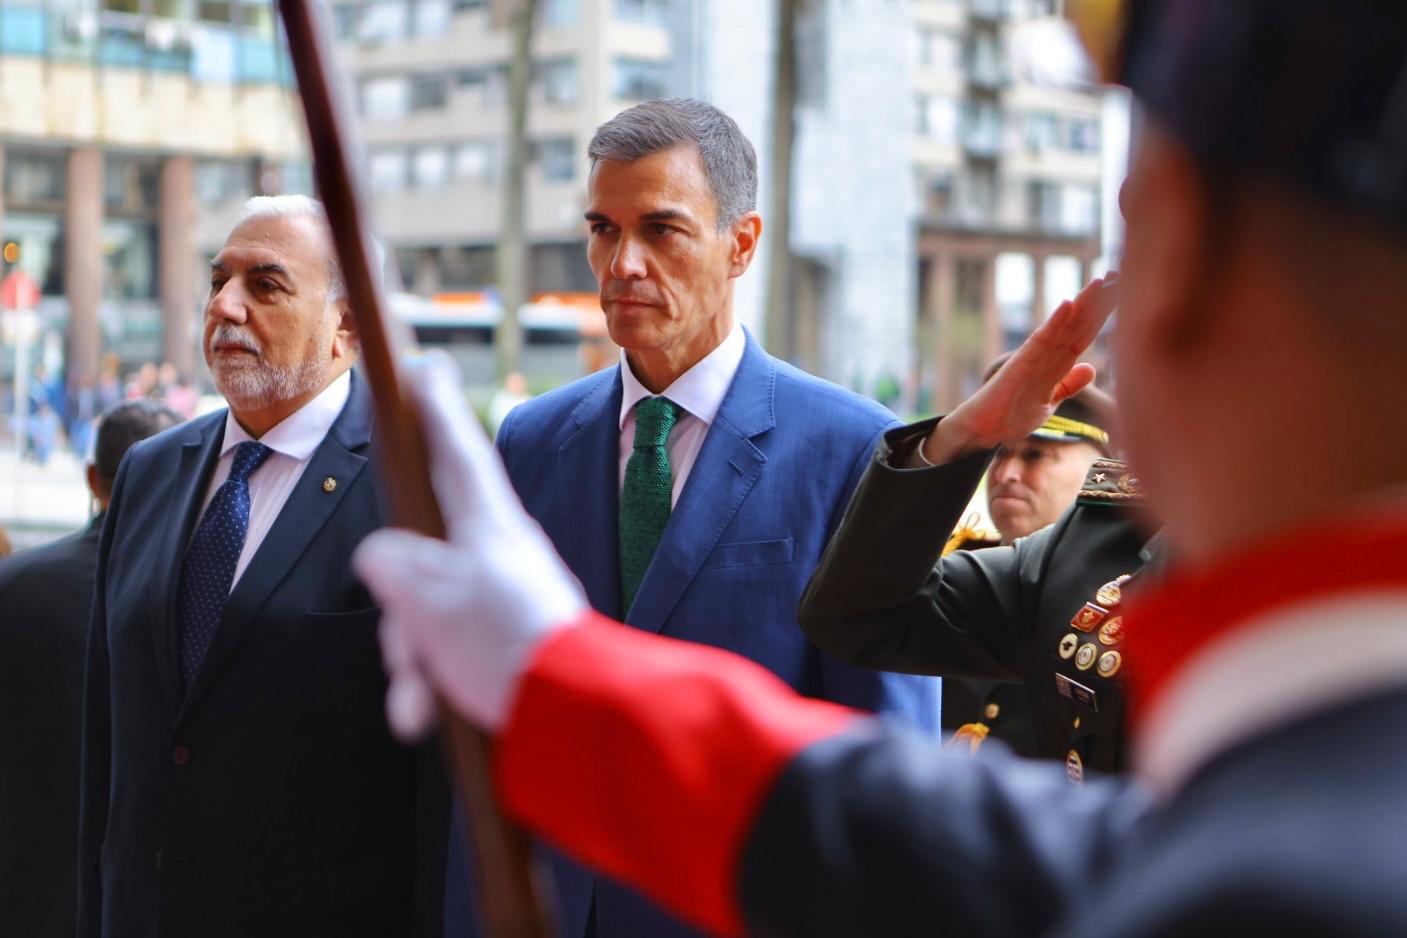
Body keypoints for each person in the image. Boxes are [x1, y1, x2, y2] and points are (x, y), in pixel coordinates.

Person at [357, 2, 1407, 935]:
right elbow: (891, 745)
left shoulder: (1266, 865)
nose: (622, 264)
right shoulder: (1270, 810)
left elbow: (917, 807)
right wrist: (952, 445)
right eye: (602, 230)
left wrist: (551, 676)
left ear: (1185, 275)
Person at [477, 97, 939, 938]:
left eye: (661, 230)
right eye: (603, 229)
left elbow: (890, 765)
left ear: (742, 244)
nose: (622, 263)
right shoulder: (531, 441)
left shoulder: (854, 450)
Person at [78, 195, 447, 938]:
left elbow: (438, 789)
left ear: (347, 325)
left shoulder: (415, 486)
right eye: (218, 280)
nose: (224, 306)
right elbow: (106, 740)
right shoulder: (150, 471)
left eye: (265, 284)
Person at [798, 337, 1152, 773]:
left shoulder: (1118, 545)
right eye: (999, 454)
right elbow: (854, 614)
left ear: (1103, 461)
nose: (1006, 474)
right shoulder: (1057, 562)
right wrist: (964, 437)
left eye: (1036, 455)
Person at [0, 399, 180, 938]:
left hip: (26, 879)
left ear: (90, 477)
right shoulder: (204, 595)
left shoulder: (16, 583)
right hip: (147, 893)